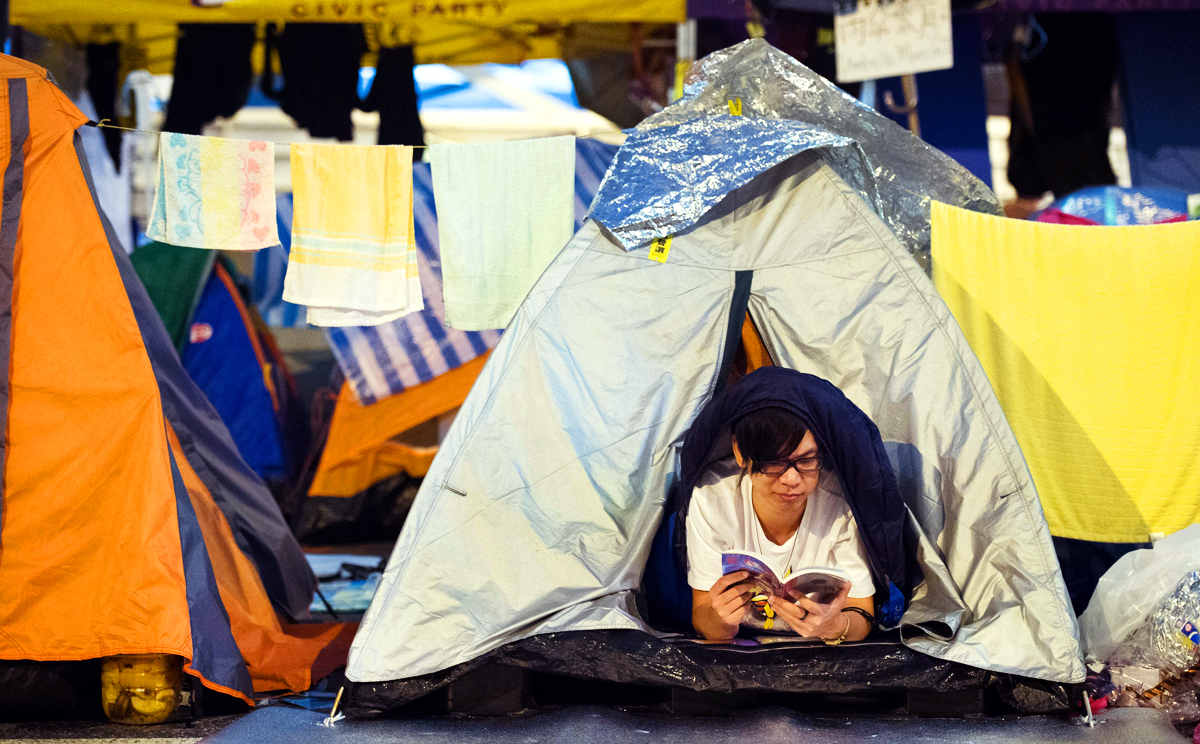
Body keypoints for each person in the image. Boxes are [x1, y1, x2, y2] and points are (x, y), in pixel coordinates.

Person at [687, 406, 875, 642]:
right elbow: (702, 613)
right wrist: (720, 620)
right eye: (773, 462)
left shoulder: (840, 504)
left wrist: (835, 626)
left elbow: (863, 612)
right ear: (740, 451)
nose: (791, 479)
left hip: (816, 653)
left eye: (807, 460)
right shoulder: (712, 499)